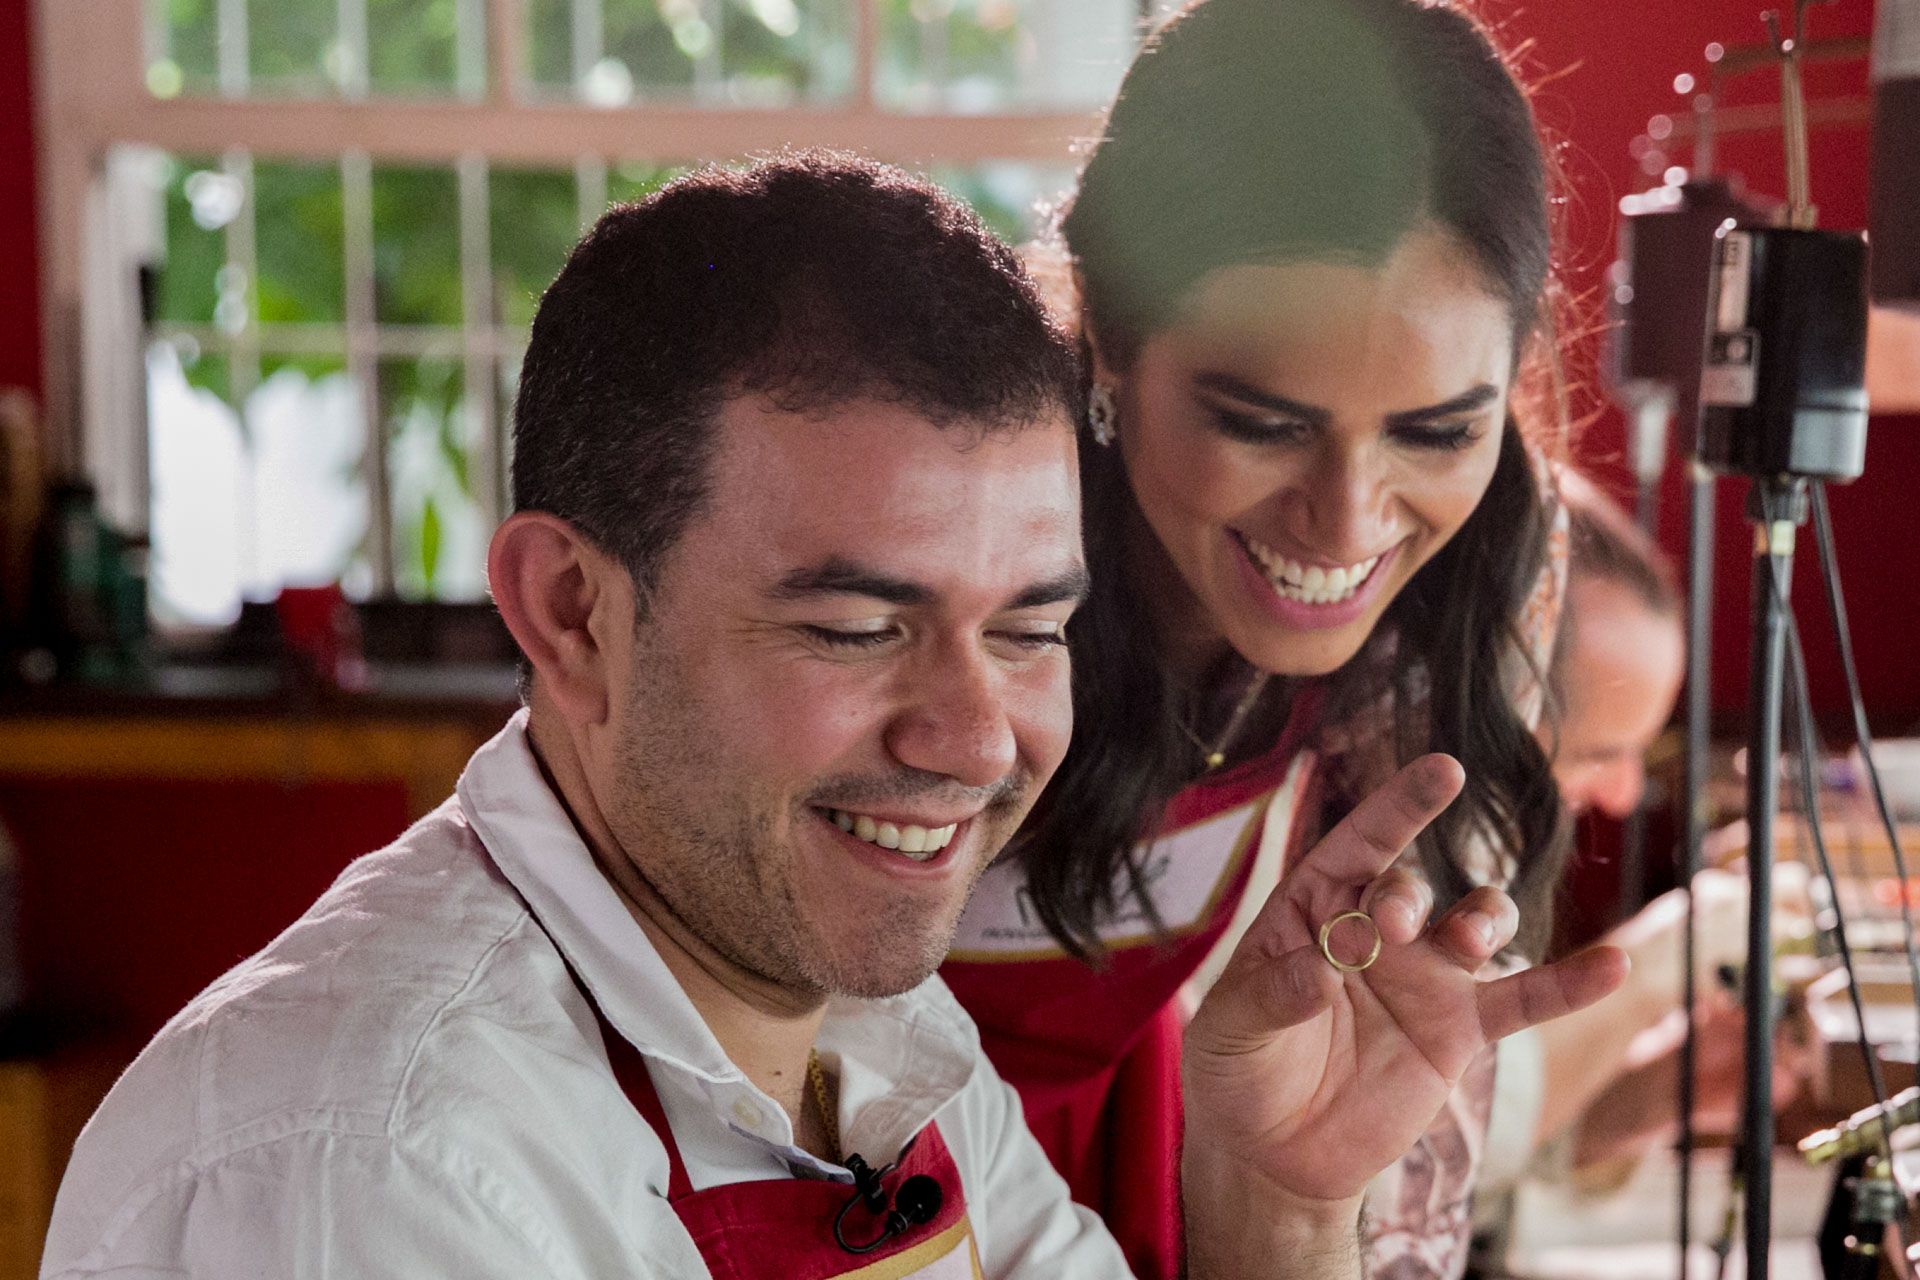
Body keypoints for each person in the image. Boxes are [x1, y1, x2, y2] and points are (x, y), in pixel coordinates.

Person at [41, 155, 1623, 1280]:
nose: (976, 737)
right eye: (861, 628)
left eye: (1032, 629)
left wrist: (1274, 1215)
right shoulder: (370, 1172)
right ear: (572, 613)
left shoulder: (862, 1016)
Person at [937, 0, 1586, 1274]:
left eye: (1439, 430)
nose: (1349, 521)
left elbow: (1402, 1135)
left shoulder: (1487, 565)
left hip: (1144, 1141)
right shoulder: (955, 520)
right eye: (1262, 421)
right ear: (1113, 343)